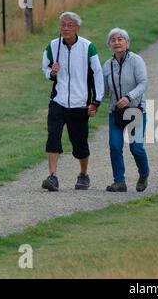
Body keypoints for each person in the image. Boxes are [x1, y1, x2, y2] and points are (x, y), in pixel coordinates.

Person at [41, 12, 104, 191]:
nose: (65, 28)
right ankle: (52, 177)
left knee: (79, 144)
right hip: (58, 101)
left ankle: (83, 174)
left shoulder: (87, 47)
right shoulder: (53, 46)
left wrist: (96, 101)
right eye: (62, 25)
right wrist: (51, 72)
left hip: (79, 103)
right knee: (53, 136)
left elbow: (97, 74)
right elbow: (45, 68)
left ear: (77, 28)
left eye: (69, 25)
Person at [103, 28, 150, 192]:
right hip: (115, 112)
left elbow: (143, 83)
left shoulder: (136, 60)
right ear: (109, 45)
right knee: (115, 146)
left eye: (120, 39)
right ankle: (119, 181)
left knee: (136, 147)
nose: (117, 42)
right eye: (113, 40)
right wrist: (92, 103)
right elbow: (104, 91)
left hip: (135, 110)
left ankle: (144, 174)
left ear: (127, 42)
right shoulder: (108, 65)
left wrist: (128, 97)